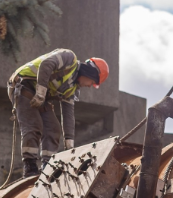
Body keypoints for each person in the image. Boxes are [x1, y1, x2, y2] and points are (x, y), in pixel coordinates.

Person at [8, 49, 109, 177]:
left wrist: (69, 145)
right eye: (93, 82)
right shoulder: (69, 58)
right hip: (23, 84)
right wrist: (41, 93)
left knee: (53, 128)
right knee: (34, 124)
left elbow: (68, 116)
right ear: (91, 73)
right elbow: (46, 64)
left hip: (40, 96)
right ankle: (30, 166)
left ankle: (47, 167)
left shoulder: (71, 88)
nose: (90, 86)